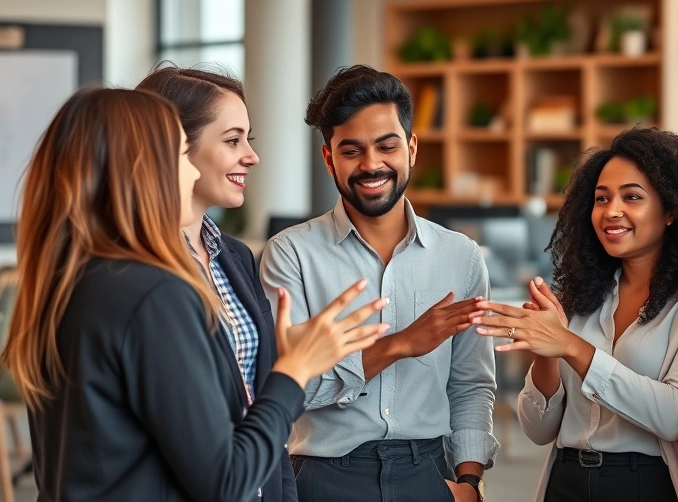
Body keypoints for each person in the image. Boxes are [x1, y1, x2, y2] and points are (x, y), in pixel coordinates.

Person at [1, 87, 389, 501]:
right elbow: (225, 481)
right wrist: (292, 373)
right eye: (178, 154)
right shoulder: (154, 293)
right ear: (143, 169)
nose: (189, 174)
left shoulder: (72, 280)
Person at [259, 65, 497, 502]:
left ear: (411, 149)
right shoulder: (290, 254)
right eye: (352, 151)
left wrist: (469, 483)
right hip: (323, 477)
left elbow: (470, 383)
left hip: (429, 472)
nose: (371, 165)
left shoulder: (460, 256)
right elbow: (286, 389)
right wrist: (399, 344)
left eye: (387, 146)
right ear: (329, 158)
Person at [472, 127, 678, 502]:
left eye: (632, 197)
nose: (612, 211)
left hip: (645, 485)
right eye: (601, 198)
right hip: (565, 481)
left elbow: (674, 415)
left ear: (671, 211)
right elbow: (538, 430)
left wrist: (570, 345)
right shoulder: (580, 296)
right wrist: (547, 354)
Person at [137, 66, 296, 502]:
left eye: (249, 140)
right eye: (232, 140)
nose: (251, 156)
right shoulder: (140, 274)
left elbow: (259, 399)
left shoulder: (236, 256)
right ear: (177, 147)